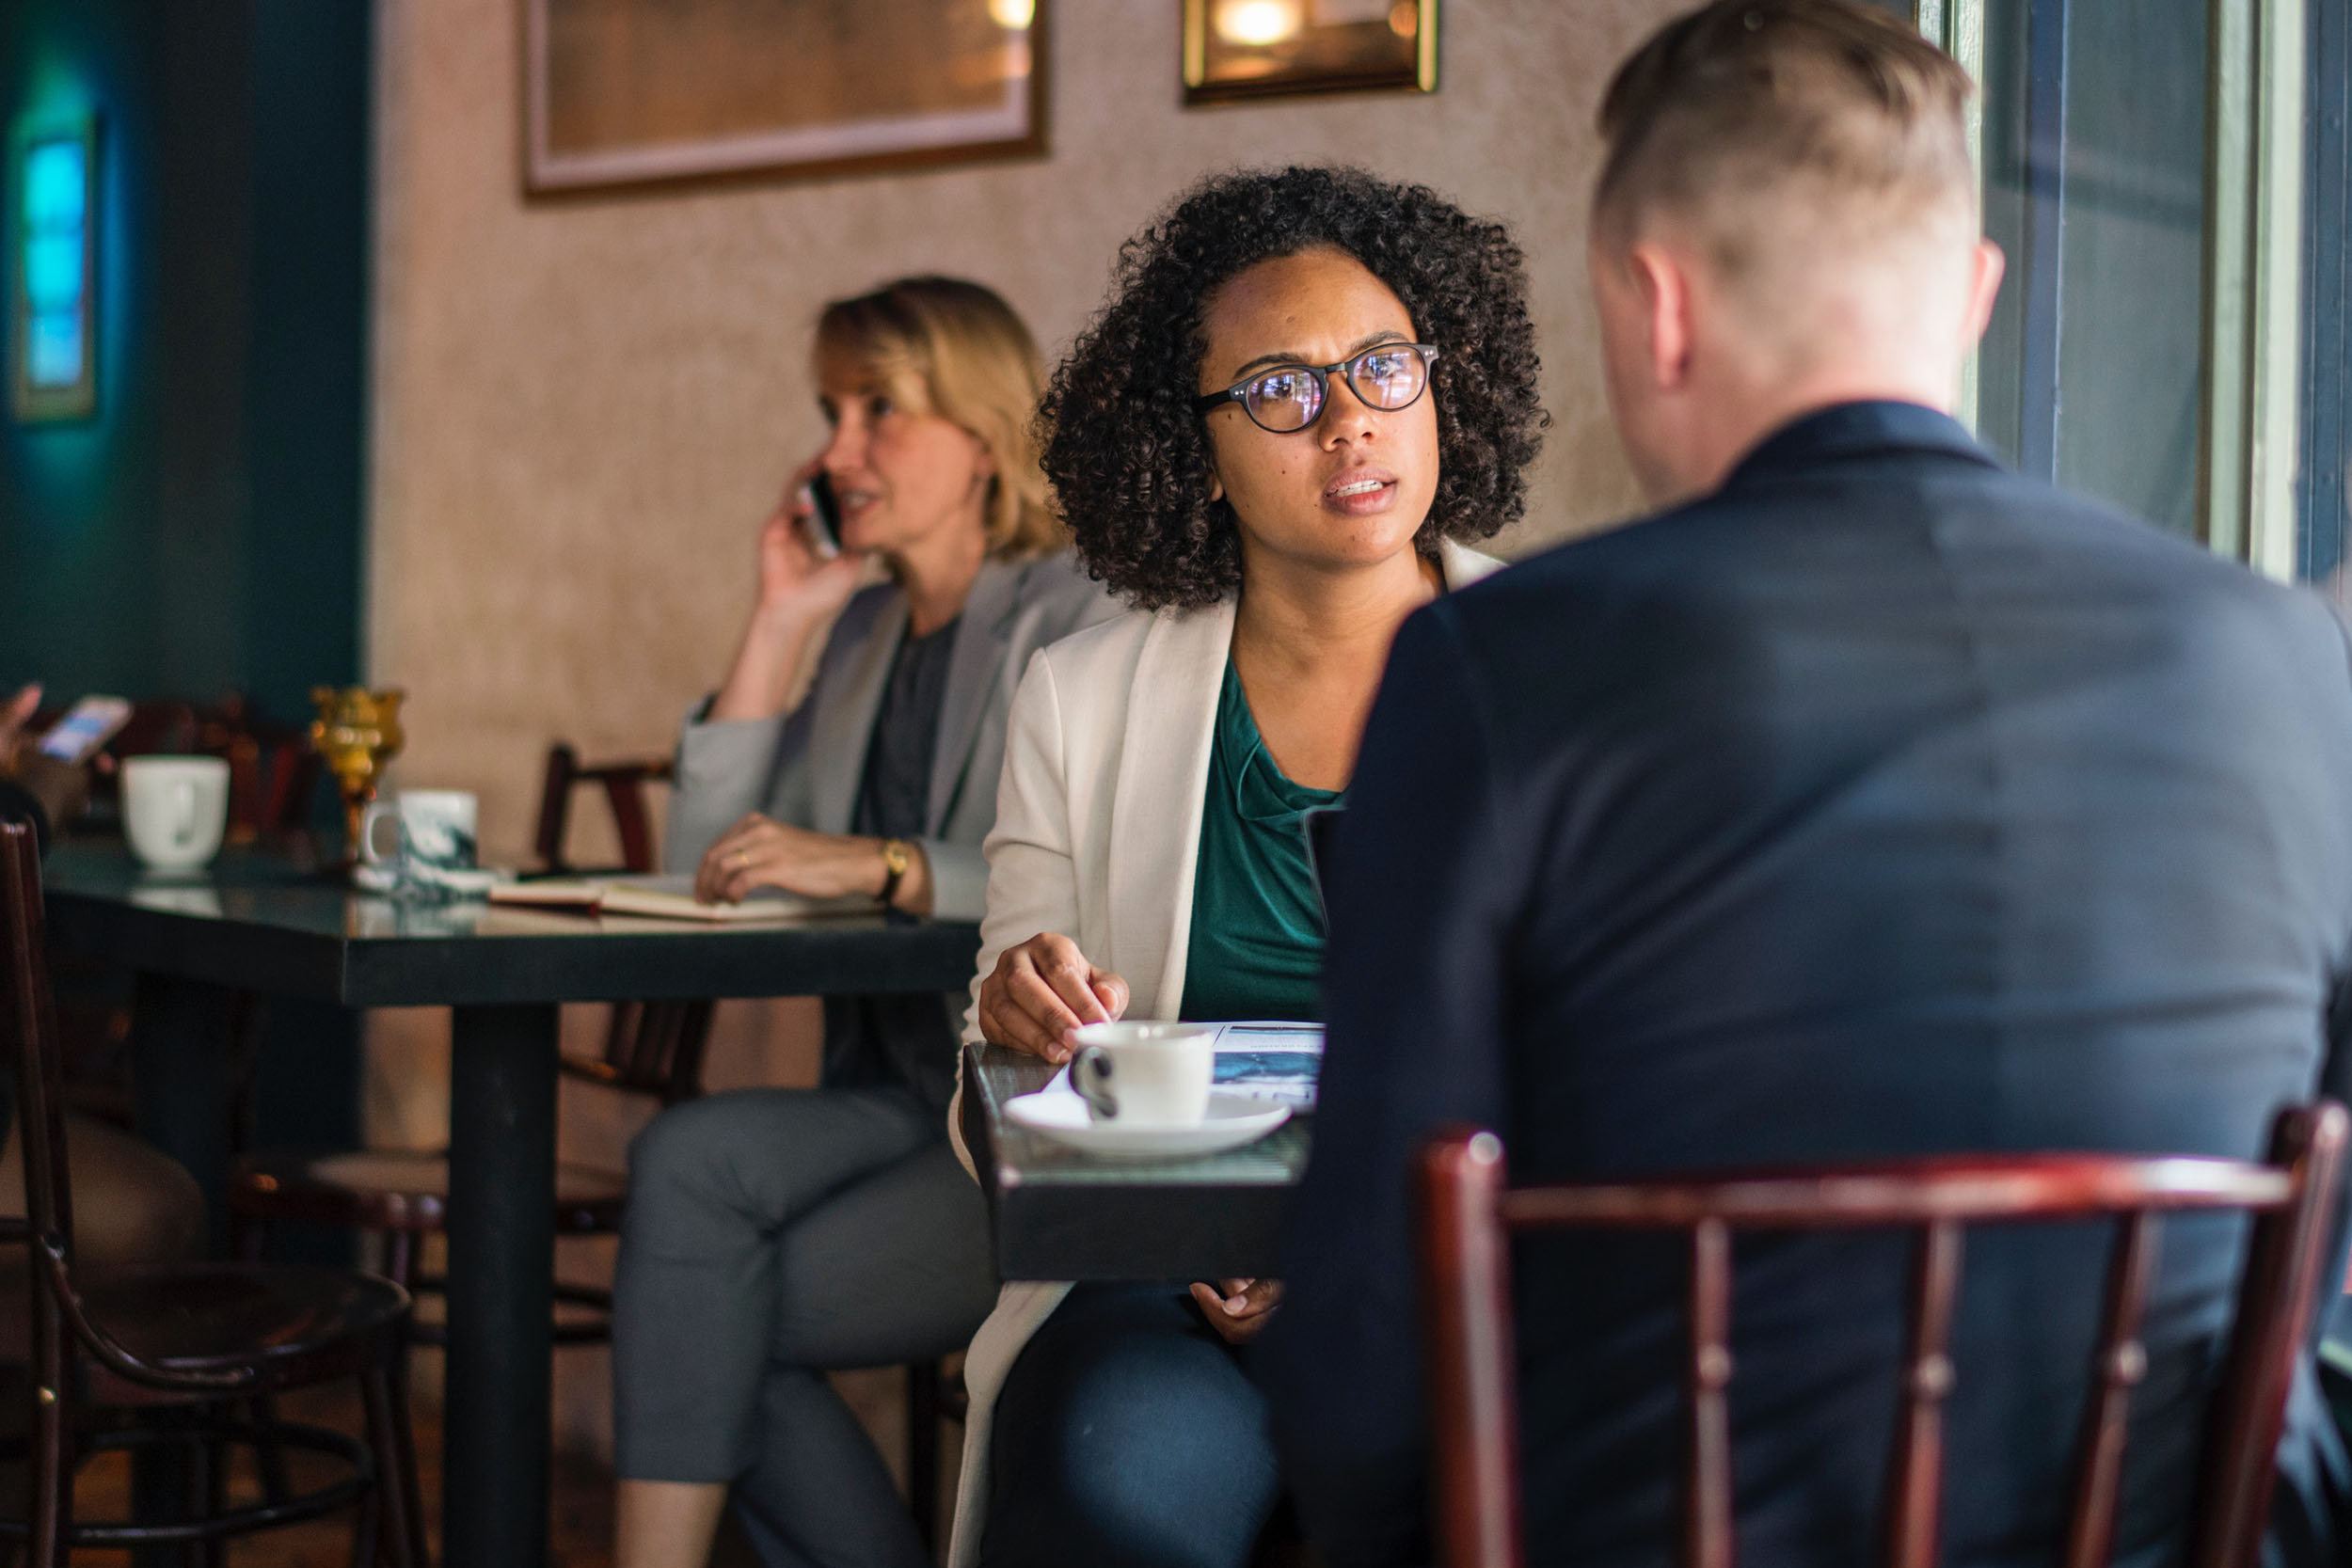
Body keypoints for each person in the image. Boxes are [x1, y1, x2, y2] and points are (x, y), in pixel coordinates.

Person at [1262, 4, 2352, 1566]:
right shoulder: (2281, 656)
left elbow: (1374, 1315)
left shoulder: (1496, 668)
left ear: (1655, 305)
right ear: (1973, 298)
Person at [953, 166, 1547, 1568]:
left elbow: (1617, 1049)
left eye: (1383, 368)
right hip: (1165, 1280)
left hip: (1477, 1279)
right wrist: (1016, 1008)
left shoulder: (1559, 665)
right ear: (1191, 440)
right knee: (1105, 1488)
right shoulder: (1079, 697)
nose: (1349, 421)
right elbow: (1013, 1075)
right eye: (1281, 389)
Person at [612, 276, 1115, 1568]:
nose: (837, 451)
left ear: (986, 434)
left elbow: (1088, 883)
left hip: (1017, 1116)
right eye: (832, 412)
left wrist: (883, 865)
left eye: (878, 410)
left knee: (714, 1317)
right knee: (684, 1159)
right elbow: (700, 878)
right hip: (884, 1092)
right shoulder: (865, 623)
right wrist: (781, 618)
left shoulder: (1078, 614)